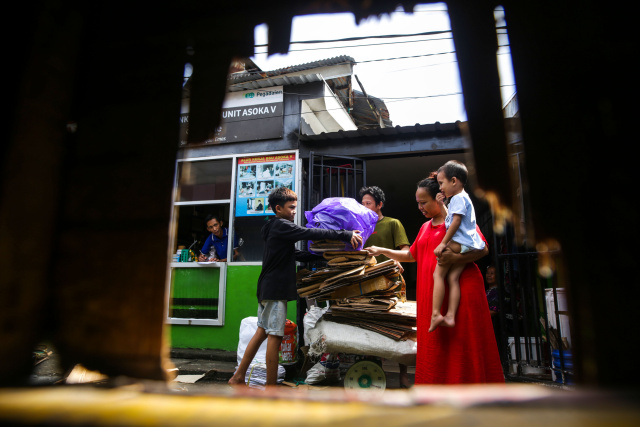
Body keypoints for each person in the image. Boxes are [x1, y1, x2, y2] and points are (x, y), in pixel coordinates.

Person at [365, 172, 504, 384]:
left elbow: (483, 249)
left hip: (462, 293)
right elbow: (412, 255)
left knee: (462, 344)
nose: (420, 207)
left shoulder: (458, 222)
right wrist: (381, 250)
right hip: (433, 295)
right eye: (418, 203)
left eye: (424, 202)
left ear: (439, 199)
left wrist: (455, 257)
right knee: (437, 346)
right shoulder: (424, 227)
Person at [228, 187, 362, 386]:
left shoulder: (273, 227)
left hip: (267, 288)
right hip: (275, 290)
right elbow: (307, 232)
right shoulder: (280, 225)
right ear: (278, 208)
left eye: (294, 207)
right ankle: (271, 388)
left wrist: (323, 254)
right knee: (275, 336)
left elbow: (295, 255)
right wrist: (344, 234)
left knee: (262, 332)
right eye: (290, 208)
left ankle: (238, 376)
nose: (293, 211)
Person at [359, 185, 412, 388]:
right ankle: (375, 371)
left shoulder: (393, 223)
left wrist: (395, 259)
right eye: (362, 203)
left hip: (391, 281)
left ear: (380, 205)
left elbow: (405, 250)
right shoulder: (360, 226)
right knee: (371, 326)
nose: (364, 207)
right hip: (368, 282)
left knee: (399, 327)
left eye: (368, 203)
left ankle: (403, 374)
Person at [430, 160, 485, 332]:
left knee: (438, 274)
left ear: (454, 181)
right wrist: (441, 205)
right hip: (468, 244)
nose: (440, 188)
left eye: (441, 183)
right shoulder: (458, 199)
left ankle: (436, 314)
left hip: (459, 243)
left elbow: (455, 222)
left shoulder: (459, 197)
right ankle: (451, 316)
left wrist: (443, 243)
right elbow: (450, 219)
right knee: (453, 278)